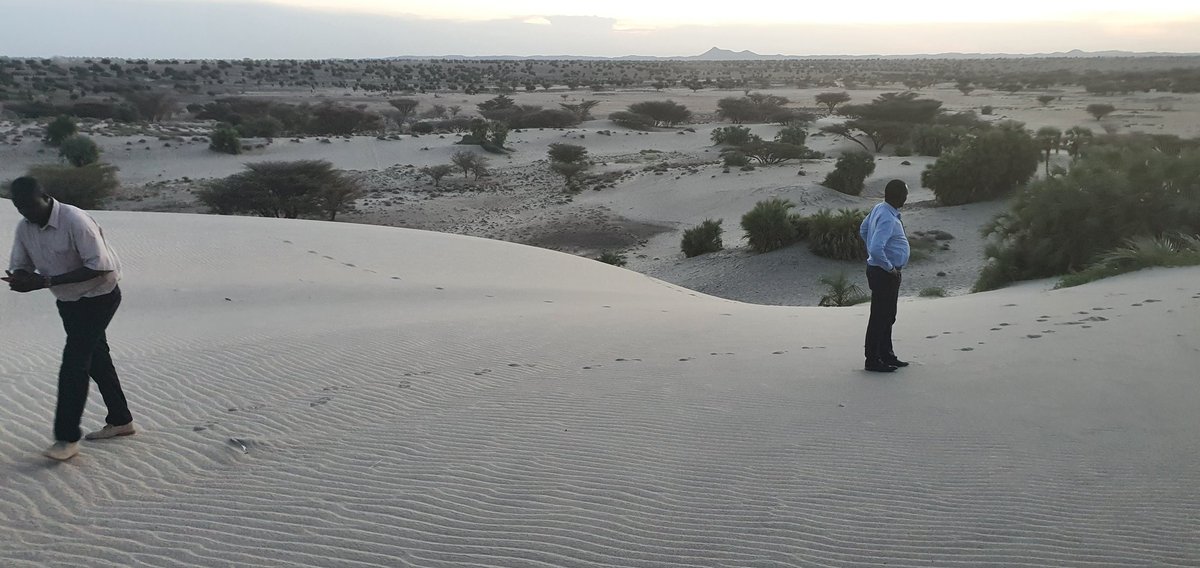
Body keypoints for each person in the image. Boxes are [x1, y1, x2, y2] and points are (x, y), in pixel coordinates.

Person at [4, 177, 135, 461]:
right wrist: (20, 278)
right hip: (69, 301)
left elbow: (100, 267)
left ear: (46, 196)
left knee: (75, 360)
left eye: (29, 204)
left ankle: (66, 438)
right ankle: (121, 420)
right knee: (97, 359)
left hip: (101, 295)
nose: (25, 211)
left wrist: (45, 281)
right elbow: (22, 265)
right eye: (18, 206)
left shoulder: (75, 220)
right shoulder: (25, 228)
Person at [859, 179, 911, 373]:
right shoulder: (888, 217)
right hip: (884, 273)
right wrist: (888, 267)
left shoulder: (880, 208)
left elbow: (863, 229)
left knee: (888, 316)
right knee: (880, 317)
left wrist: (875, 254)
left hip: (882, 270)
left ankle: (886, 354)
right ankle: (873, 360)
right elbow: (875, 247)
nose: (906, 198)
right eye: (905, 194)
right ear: (898, 196)